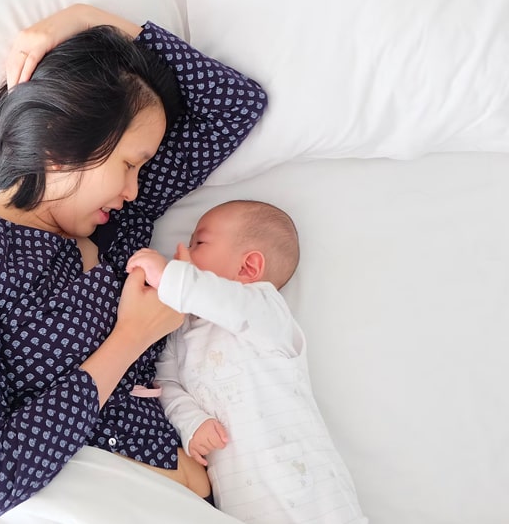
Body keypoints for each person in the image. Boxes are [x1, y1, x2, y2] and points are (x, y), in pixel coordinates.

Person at [0, 4, 267, 517]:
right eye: (129, 164)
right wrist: (129, 338)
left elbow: (234, 105)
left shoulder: (118, 222)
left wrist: (88, 19)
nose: (136, 186)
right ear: (62, 138)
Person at [126, 200, 368, 523]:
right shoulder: (180, 329)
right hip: (245, 507)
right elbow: (166, 385)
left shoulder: (265, 311)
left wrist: (173, 277)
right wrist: (192, 423)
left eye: (199, 243)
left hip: (315, 499)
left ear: (248, 268)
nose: (182, 249)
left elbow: (223, 301)